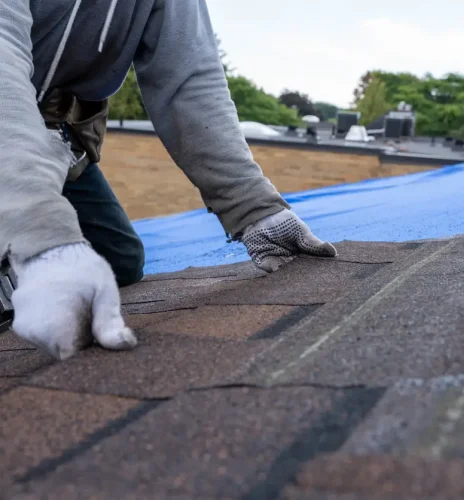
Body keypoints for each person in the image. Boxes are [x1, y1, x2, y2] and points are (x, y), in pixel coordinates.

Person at [0, 0, 337, 360]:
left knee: (119, 261)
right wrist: (42, 237)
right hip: (11, 126)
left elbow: (187, 78)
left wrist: (255, 209)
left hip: (54, 136)